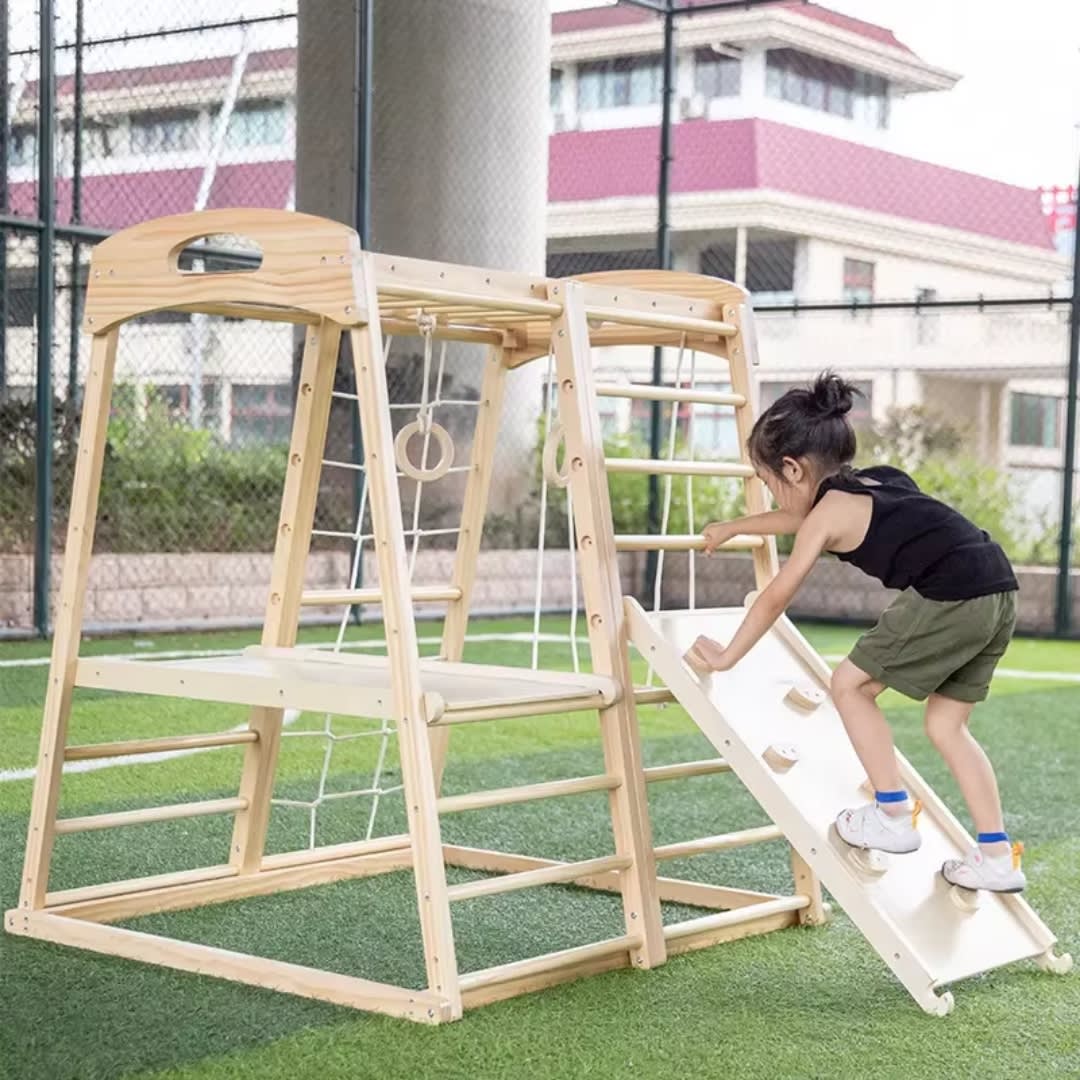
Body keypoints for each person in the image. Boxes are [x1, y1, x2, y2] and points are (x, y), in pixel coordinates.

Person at [686, 372, 1024, 893]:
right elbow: (799, 518)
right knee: (947, 727)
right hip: (997, 587)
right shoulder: (870, 482)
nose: (772, 493)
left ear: (792, 469)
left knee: (850, 685)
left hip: (952, 592)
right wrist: (736, 526)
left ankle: (891, 816)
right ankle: (997, 855)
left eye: (768, 480)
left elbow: (779, 591)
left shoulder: (828, 514)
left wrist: (729, 654)